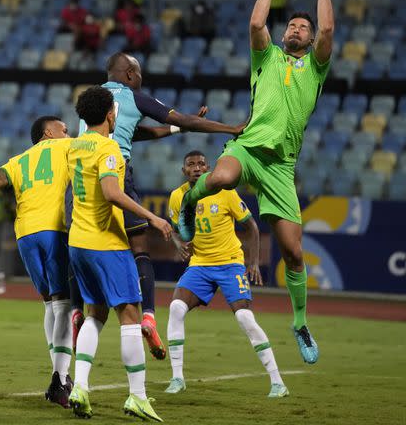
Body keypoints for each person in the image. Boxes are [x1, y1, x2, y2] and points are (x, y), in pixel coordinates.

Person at [176, 0, 334, 366]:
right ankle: (188, 209)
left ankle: (299, 323)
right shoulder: (265, 57)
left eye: (305, 27)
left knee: (295, 253)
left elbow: (330, 31)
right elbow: (255, 21)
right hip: (248, 148)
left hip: (281, 167)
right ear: (284, 36)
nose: (299, 29)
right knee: (222, 179)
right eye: (294, 26)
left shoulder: (316, 68)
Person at [70, 52, 244, 362]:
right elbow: (178, 117)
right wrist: (228, 128)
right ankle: (148, 316)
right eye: (138, 73)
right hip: (115, 171)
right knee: (140, 250)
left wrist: (181, 129)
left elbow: (135, 132)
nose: (140, 79)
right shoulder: (133, 96)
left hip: (81, 178)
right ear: (129, 74)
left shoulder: (93, 103)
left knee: (83, 244)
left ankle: (76, 309)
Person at [66, 86, 171, 421]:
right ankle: (137, 396)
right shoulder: (108, 148)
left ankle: (80, 386)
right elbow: (112, 193)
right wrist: (152, 216)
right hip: (106, 243)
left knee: (95, 315)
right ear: (111, 114)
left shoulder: (74, 146)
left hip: (78, 242)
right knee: (129, 314)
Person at [165, 151, 288, 398]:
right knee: (176, 308)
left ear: (209, 168)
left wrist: (252, 262)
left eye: (201, 163)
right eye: (191, 164)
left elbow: (251, 226)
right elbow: (177, 229)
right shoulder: (177, 197)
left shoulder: (225, 192)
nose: (197, 168)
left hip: (230, 264)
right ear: (183, 171)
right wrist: (178, 244)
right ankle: (177, 378)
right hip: (199, 265)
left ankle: (277, 382)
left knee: (244, 318)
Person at [0, 116, 74, 408]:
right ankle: (60, 378)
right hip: (55, 230)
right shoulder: (67, 148)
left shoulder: (17, 160)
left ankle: (60, 376)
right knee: (64, 301)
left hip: (25, 234)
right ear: (48, 132)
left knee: (49, 303)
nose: (68, 133)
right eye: (64, 129)